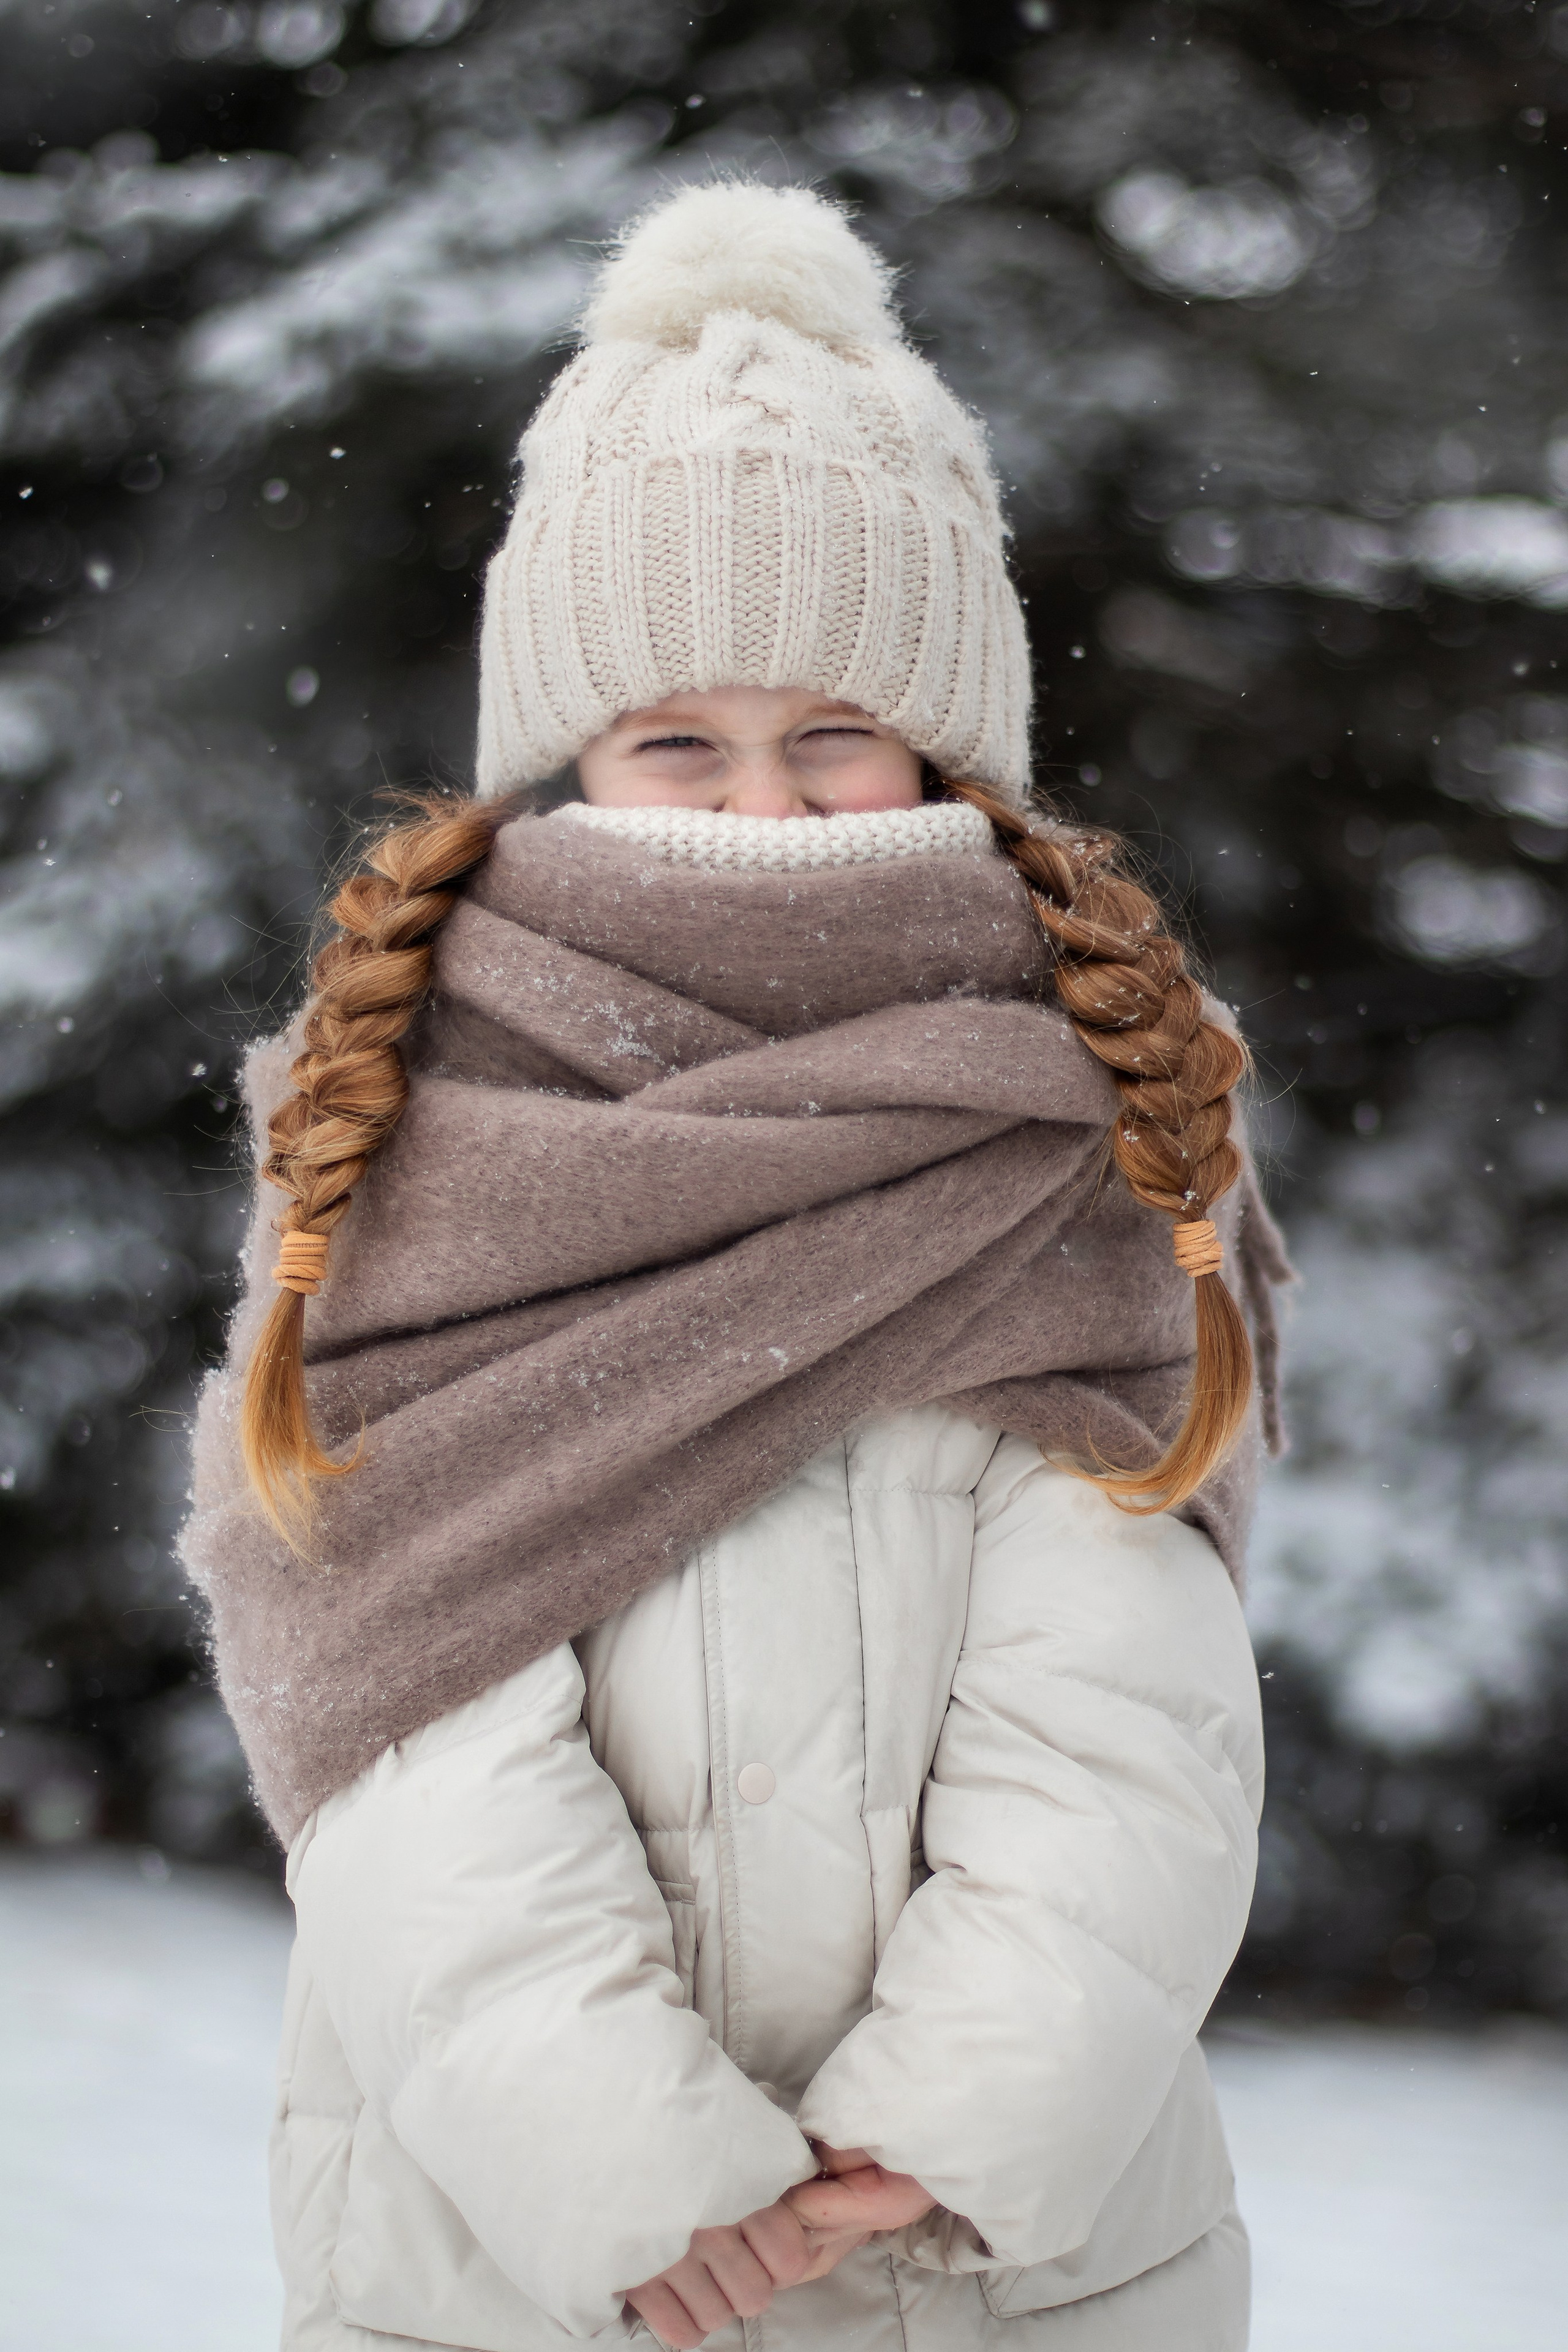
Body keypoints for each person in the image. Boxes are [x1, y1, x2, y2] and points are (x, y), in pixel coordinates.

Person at [184, 181, 1291, 2352]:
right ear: (562, 761)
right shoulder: (412, 1120)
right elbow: (376, 1662)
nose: (765, 817)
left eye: (836, 739)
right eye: (677, 740)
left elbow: (1133, 1705)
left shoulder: (1094, 1107)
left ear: (953, 756)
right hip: (507, 2242)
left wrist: (973, 2106)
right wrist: (608, 2142)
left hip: (1008, 2258)